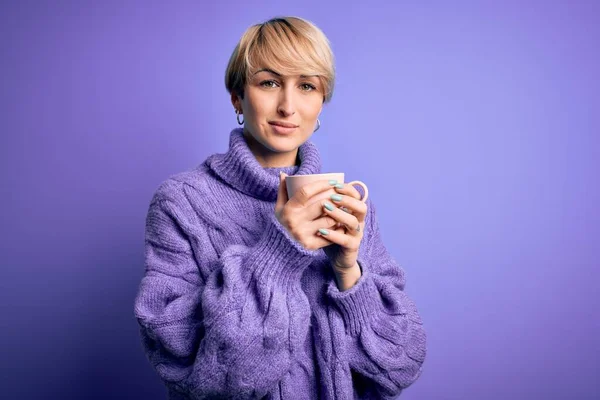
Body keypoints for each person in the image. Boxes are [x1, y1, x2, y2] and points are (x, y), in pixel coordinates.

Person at [134, 16, 427, 399]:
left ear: (321, 103)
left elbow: (400, 365)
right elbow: (201, 377)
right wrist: (278, 252)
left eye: (307, 86)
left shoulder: (350, 209)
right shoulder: (180, 203)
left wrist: (348, 272)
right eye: (269, 82)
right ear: (237, 97)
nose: (288, 106)